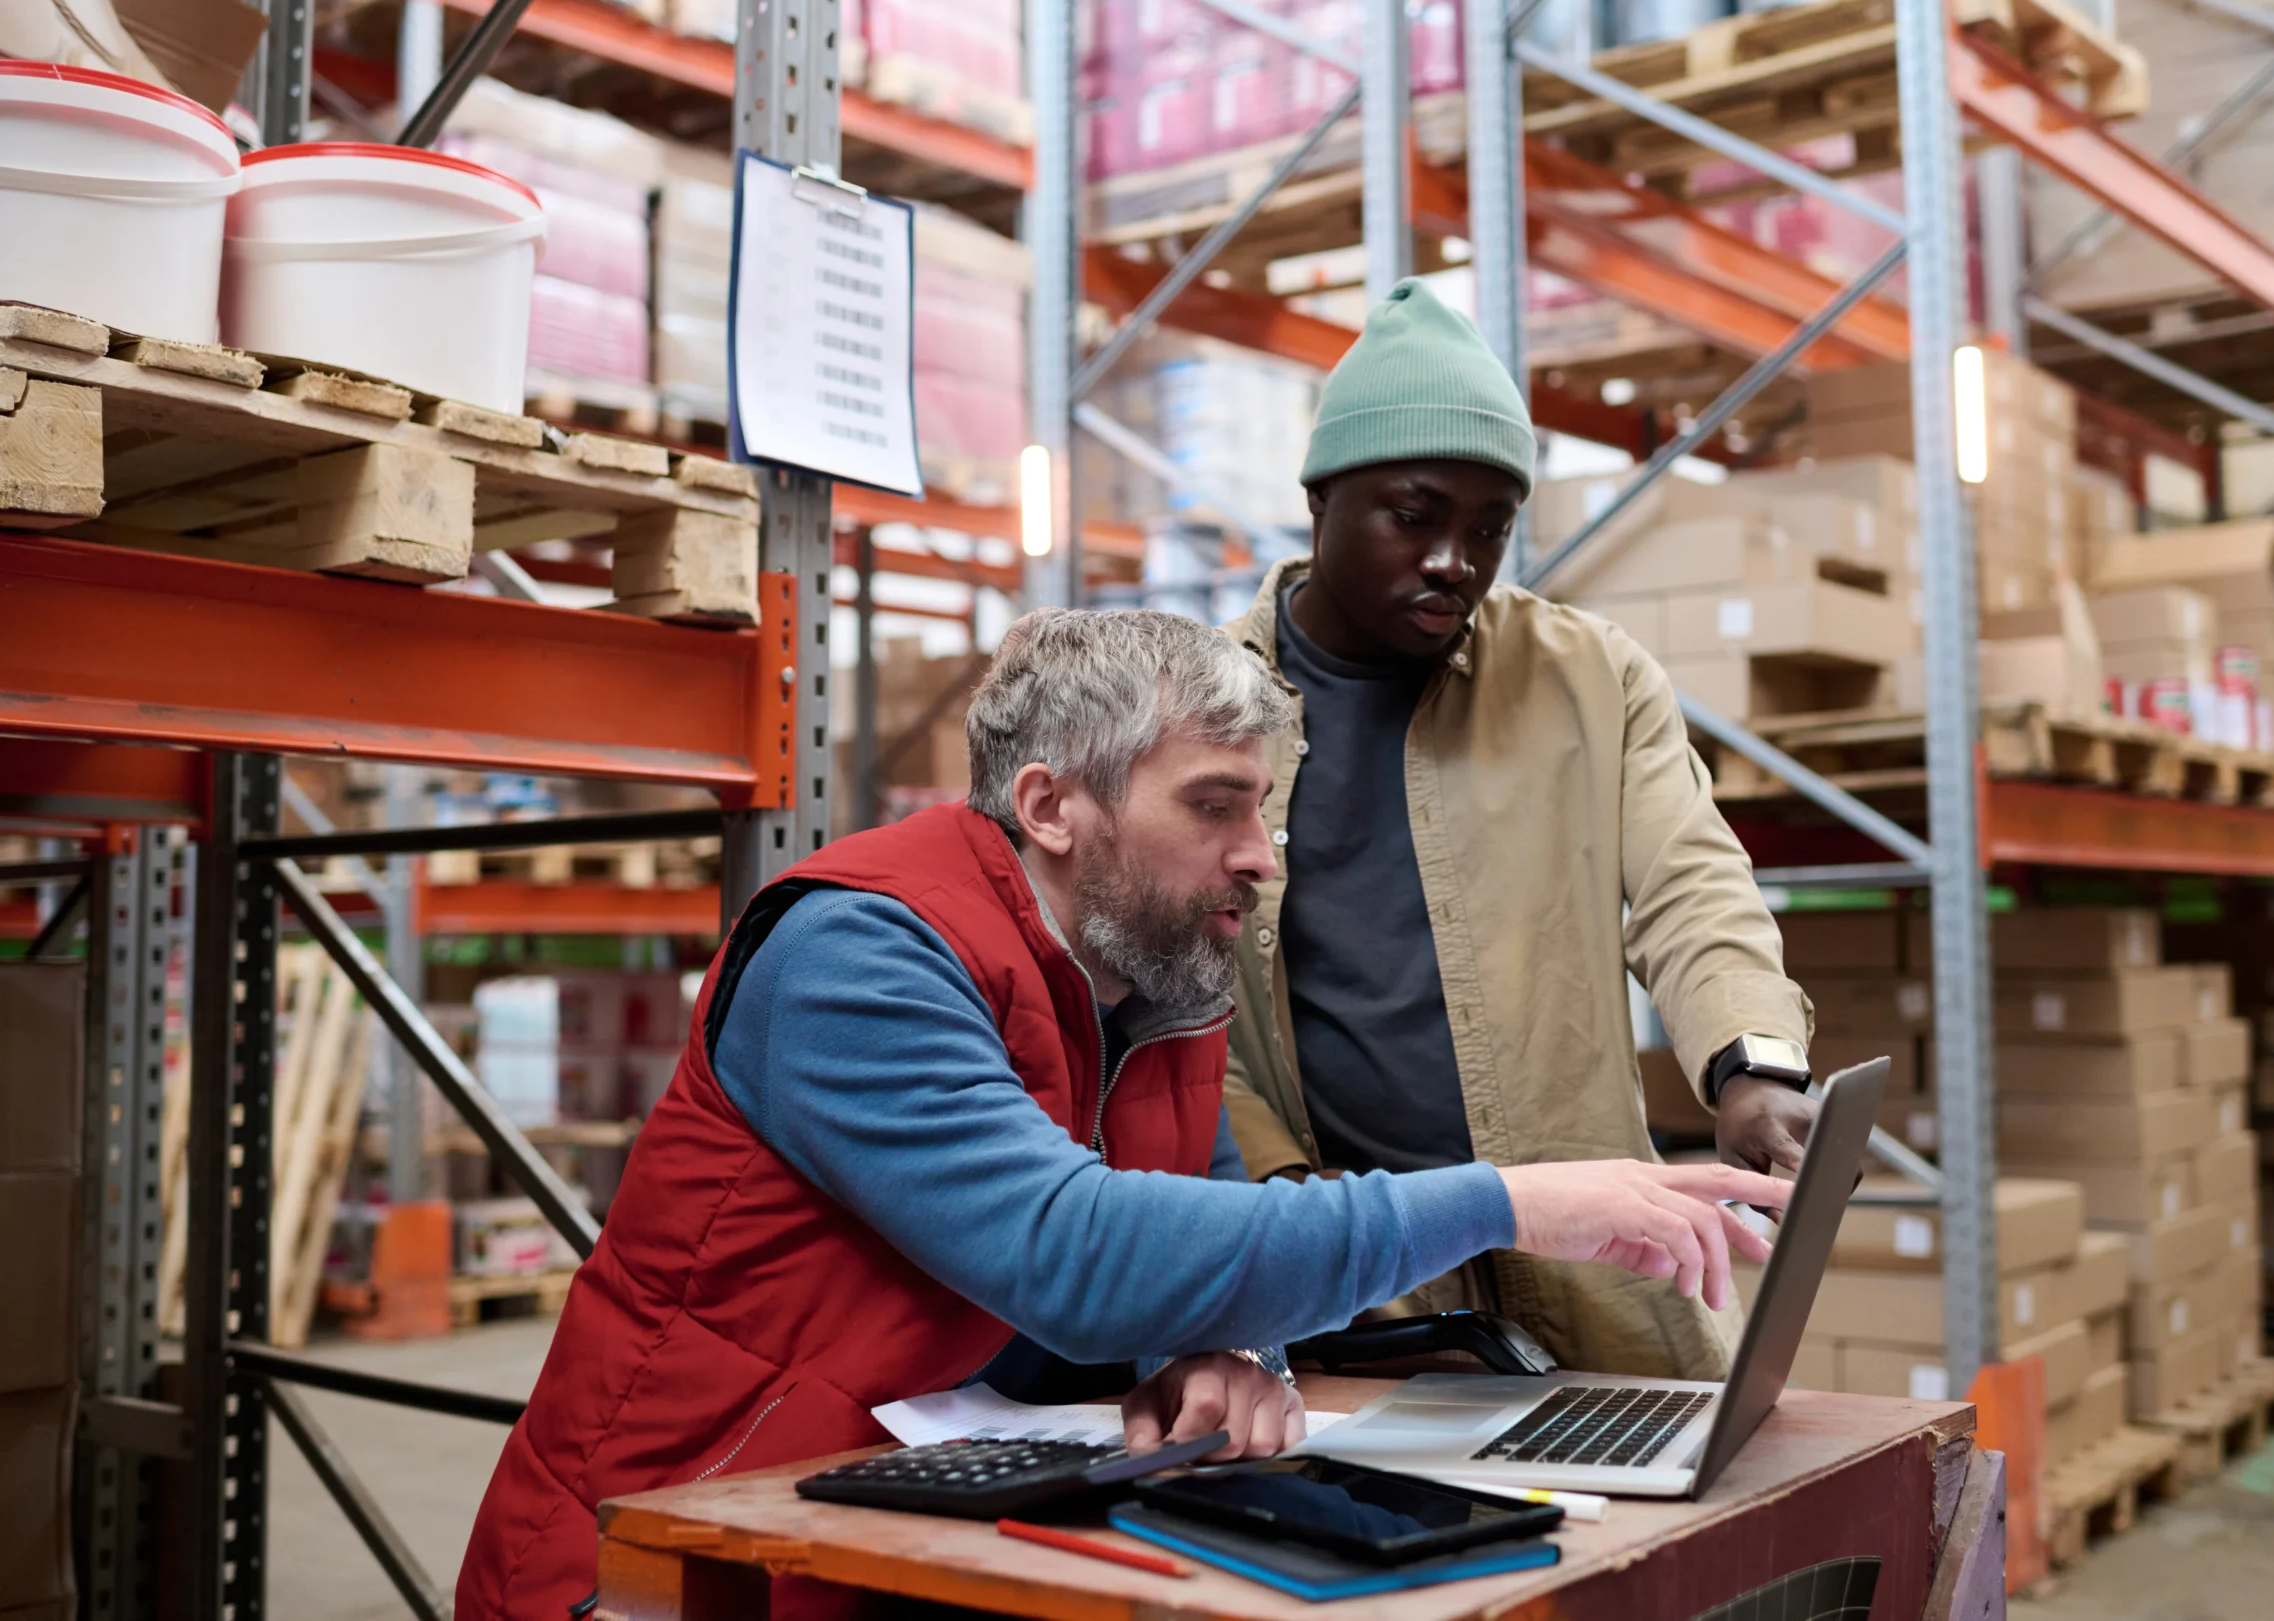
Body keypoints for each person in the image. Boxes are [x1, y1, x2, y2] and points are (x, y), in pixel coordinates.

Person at [458, 606, 1791, 1618]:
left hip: (910, 1524)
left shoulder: (1158, 982)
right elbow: (1075, 1251)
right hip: (658, 1549)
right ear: (1051, 805)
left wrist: (1220, 1351)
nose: (1260, 853)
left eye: (1259, 806)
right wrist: (1512, 1197)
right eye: (1215, 805)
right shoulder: (855, 953)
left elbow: (1195, 1245)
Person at [1221, 278, 1821, 1381]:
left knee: (1671, 1518)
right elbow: (1178, 1006)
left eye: (1489, 529)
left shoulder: (1589, 676)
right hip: (1362, 1280)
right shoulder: (1207, 710)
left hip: (1605, 1247)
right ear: (1322, 503)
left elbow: (1693, 883)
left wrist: (1753, 1063)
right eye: (1415, 516)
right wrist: (1278, 1200)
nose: (1455, 559)